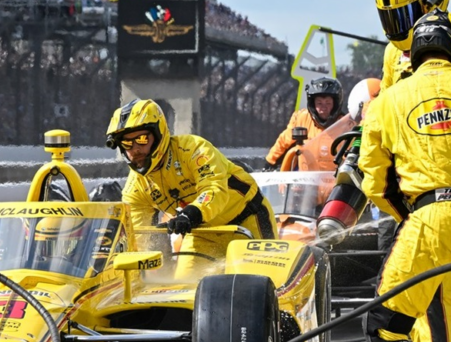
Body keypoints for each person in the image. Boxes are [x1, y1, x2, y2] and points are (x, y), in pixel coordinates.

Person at [332, 10, 451, 342]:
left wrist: (415, 216)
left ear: (413, 53)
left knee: (387, 323)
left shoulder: (389, 100)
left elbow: (375, 182)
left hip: (427, 219)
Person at [374, 0, 450, 342]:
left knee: (392, 319)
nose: (399, 29)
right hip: (419, 205)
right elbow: (383, 126)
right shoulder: (393, 55)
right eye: (391, 19)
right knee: (426, 318)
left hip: (425, 209)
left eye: (405, 15)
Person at [106, 99, 277, 267]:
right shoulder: (134, 187)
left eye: (142, 139)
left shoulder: (194, 149)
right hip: (201, 234)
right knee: (182, 288)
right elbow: (139, 240)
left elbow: (214, 189)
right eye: (127, 143)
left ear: (158, 133)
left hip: (246, 220)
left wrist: (191, 214)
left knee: (264, 281)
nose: (135, 149)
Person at [375, 0, 449, 91]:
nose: (397, 27)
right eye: (391, 18)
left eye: (406, 14)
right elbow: (386, 95)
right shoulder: (392, 51)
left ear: (435, 1)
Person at [264, 77, 343, 170]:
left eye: (328, 103)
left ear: (335, 104)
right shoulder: (301, 117)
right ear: (313, 104)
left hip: (335, 178)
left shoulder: (347, 123)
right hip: (306, 177)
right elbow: (284, 141)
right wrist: (270, 162)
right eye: (319, 103)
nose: (323, 107)